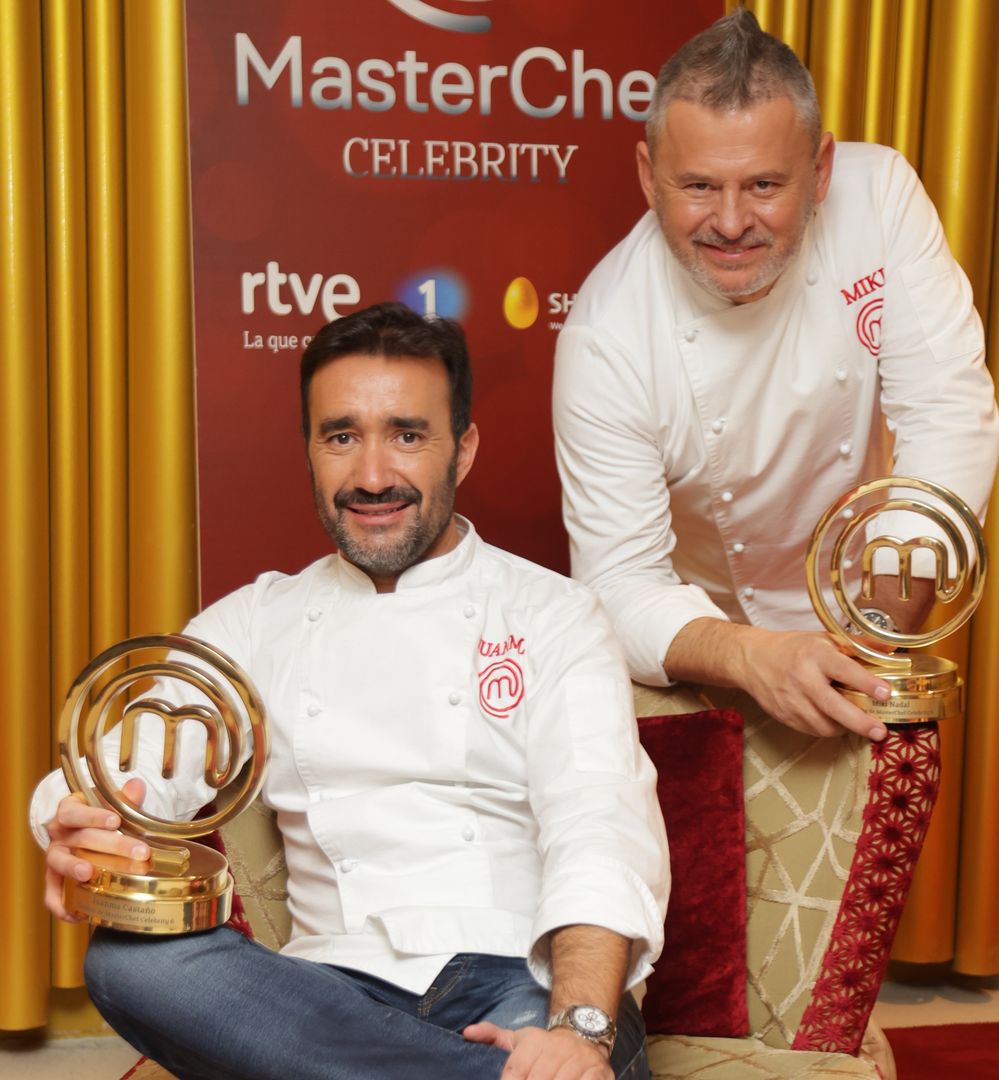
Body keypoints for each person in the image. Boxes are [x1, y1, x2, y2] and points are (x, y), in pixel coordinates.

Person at [31, 302, 669, 1080]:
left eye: (407, 434)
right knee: (127, 962)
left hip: (518, 976)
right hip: (322, 989)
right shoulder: (257, 621)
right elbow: (126, 764)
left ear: (461, 450)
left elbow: (597, 827)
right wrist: (74, 822)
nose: (372, 476)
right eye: (341, 437)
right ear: (309, 449)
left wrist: (580, 1029)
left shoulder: (554, 615)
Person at [552, 8, 999, 741]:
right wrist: (753, 655)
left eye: (763, 185)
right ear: (647, 176)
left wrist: (875, 642)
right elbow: (618, 585)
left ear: (821, 171)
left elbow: (948, 415)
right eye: (698, 186)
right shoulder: (607, 334)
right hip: (705, 657)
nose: (730, 223)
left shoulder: (880, 198)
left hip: (882, 619)